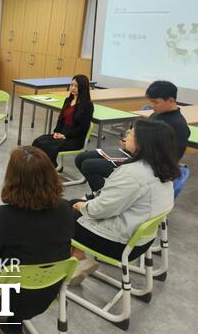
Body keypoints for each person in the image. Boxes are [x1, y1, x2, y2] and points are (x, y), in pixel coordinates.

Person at [0, 146, 74, 334]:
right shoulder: (65, 209)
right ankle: (13, 322)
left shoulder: (3, 216)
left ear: (12, 178)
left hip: (8, 296)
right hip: (47, 293)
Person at [70, 119, 178, 285]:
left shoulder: (132, 173)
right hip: (143, 240)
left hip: (119, 243)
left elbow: (100, 210)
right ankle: (79, 258)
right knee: (77, 204)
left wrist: (85, 206)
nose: (126, 135)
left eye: (132, 133)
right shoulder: (164, 169)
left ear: (144, 143)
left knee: (62, 214)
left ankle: (73, 264)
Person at [75, 80, 190, 198]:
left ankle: (107, 197)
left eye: (156, 102)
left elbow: (169, 159)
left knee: (89, 165)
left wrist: (136, 148)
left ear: (171, 100)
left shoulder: (178, 126)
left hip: (146, 166)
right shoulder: (158, 114)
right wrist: (129, 142)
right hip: (133, 155)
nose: (152, 106)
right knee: (81, 158)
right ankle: (105, 193)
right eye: (151, 102)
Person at [32, 75, 94, 166]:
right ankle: (36, 167)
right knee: (38, 141)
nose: (72, 88)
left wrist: (64, 135)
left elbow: (83, 128)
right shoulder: (68, 100)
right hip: (61, 134)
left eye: (76, 86)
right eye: (71, 85)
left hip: (74, 138)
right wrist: (56, 132)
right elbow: (61, 119)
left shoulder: (87, 105)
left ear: (83, 87)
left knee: (49, 146)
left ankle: (48, 169)